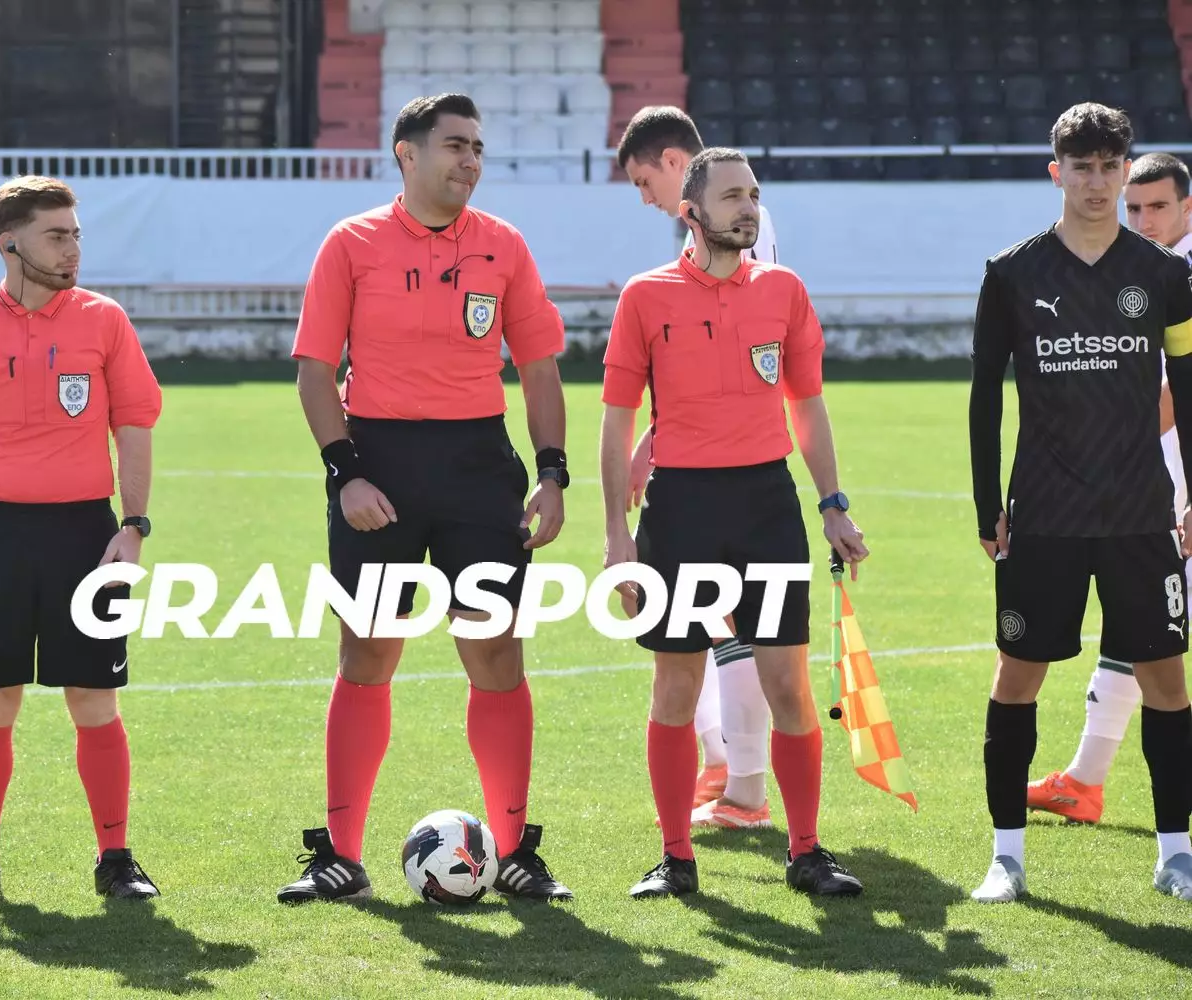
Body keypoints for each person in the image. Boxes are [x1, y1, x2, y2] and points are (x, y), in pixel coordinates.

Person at [278, 93, 573, 904]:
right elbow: (314, 372)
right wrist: (346, 474)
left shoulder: (504, 245)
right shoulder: (351, 243)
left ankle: (514, 851)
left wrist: (552, 473)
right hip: (379, 466)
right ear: (406, 153)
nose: (470, 161)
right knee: (368, 652)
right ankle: (340, 856)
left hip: (479, 467)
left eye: (477, 147)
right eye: (454, 145)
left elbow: (539, 368)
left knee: (495, 652)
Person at [599, 147, 869, 900]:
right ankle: (676, 858)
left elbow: (807, 405)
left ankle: (806, 851)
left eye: (753, 195)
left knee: (788, 684)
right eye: (732, 197)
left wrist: (833, 503)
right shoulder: (644, 297)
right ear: (692, 213)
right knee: (676, 686)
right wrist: (617, 537)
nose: (748, 208)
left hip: (766, 505)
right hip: (680, 509)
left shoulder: (784, 290)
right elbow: (617, 423)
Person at [0, 175, 165, 902]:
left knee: (94, 699)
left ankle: (116, 859)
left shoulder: (105, 320)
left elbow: (134, 425)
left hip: (86, 535)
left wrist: (133, 526)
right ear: (10, 244)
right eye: (57, 236)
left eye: (76, 234)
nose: (73, 249)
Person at [969, 103, 1192, 903]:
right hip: (1045, 514)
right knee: (1017, 677)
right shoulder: (1012, 273)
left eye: (1109, 167)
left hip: (1140, 513)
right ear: (1055, 171)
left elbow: (1188, 390)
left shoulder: (1165, 275)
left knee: (1167, 682)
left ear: (1125, 171)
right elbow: (984, 396)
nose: (1097, 182)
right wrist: (986, 503)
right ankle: (1006, 857)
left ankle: (1176, 854)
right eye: (1082, 167)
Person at [615, 106, 777, 829]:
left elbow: (738, 356)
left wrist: (652, 441)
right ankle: (726, 766)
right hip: (709, 459)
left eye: (643, 181)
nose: (643, 198)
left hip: (734, 468)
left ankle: (745, 786)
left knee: (730, 627)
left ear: (675, 164)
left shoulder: (741, 231)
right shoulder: (707, 235)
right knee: (715, 625)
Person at [1028, 151, 1192, 825]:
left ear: (1187, 207)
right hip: (1157, 482)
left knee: (1146, 628)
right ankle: (1084, 781)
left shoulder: (1177, 274)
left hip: (1162, 483)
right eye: (1136, 207)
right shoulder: (1144, 268)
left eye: (1160, 207)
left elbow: (1173, 394)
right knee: (1139, 627)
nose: (1145, 219)